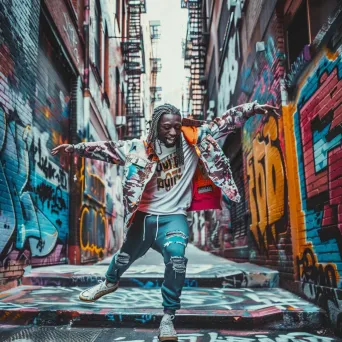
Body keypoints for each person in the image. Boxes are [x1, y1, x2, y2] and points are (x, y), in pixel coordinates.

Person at [51, 102, 278, 341]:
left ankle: (168, 317)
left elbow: (227, 121)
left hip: (173, 220)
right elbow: (107, 148)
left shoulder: (195, 140)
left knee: (177, 259)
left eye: (177, 127)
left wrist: (253, 108)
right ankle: (109, 282)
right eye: (166, 127)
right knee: (124, 257)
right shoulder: (138, 148)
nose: (172, 132)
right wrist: (75, 148)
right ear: (156, 126)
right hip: (144, 220)